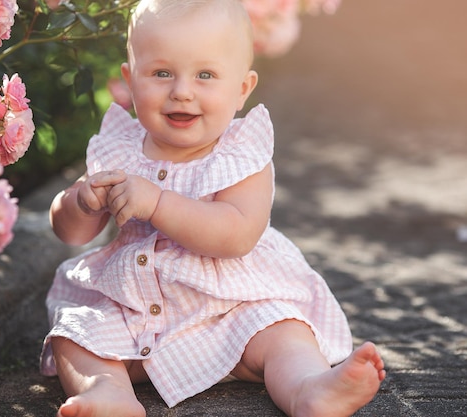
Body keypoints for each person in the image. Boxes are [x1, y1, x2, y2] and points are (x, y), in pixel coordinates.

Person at [40, 0, 386, 416]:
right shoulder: (119, 148)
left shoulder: (240, 155)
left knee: (283, 329)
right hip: (134, 314)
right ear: (131, 81)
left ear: (242, 89)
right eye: (162, 73)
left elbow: (236, 235)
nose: (182, 90)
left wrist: (158, 202)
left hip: (233, 314)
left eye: (205, 75)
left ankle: (308, 390)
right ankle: (107, 392)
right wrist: (81, 202)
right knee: (74, 334)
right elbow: (71, 233)